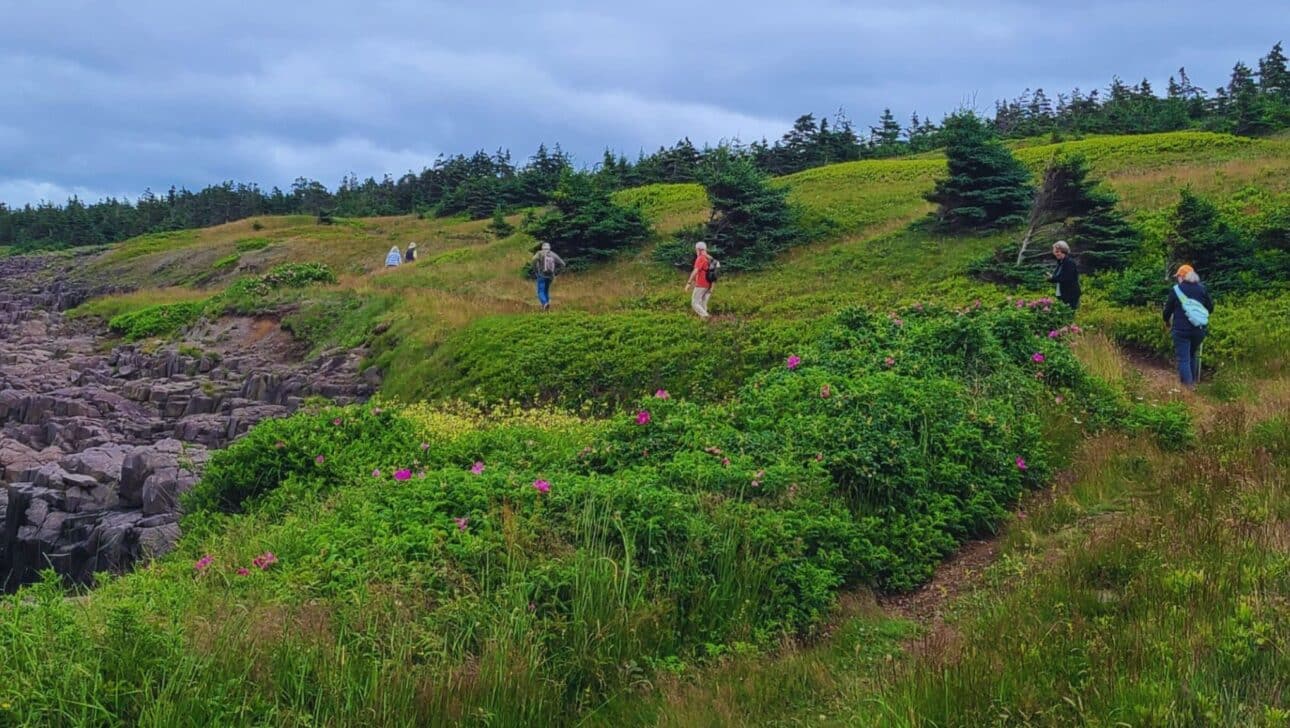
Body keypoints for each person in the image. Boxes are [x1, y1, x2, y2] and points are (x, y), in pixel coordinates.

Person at [1162, 264, 1214, 389]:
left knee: (1183, 358)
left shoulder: (1176, 290)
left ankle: (1188, 386)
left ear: (1182, 276)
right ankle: (1192, 382)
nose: (1177, 279)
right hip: (1198, 330)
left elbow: (1167, 311)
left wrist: (1166, 321)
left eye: (1178, 276)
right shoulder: (1202, 289)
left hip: (1181, 330)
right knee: (1192, 355)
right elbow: (1210, 308)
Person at [531, 243, 565, 310]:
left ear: (542, 248)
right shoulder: (553, 254)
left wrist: (535, 269)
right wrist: (556, 273)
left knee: (540, 291)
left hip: (541, 275)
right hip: (550, 276)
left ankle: (545, 303)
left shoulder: (540, 253)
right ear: (549, 248)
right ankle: (547, 305)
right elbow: (563, 264)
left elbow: (534, 259)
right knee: (546, 291)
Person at [685, 241, 714, 320]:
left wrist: (689, 283)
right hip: (709, 284)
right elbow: (716, 265)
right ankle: (704, 321)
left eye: (696, 249)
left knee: (694, 303)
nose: (696, 251)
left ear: (699, 249)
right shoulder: (708, 258)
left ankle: (706, 316)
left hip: (701, 284)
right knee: (702, 302)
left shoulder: (700, 258)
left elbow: (696, 271)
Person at [1049, 240, 1081, 311]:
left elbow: (1065, 278)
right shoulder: (1060, 263)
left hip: (1070, 295)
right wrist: (1051, 278)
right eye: (1055, 252)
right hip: (1061, 293)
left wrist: (1052, 278)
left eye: (1057, 252)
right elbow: (1057, 277)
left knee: (1070, 315)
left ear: (1063, 251)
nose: (1055, 254)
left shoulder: (1069, 263)